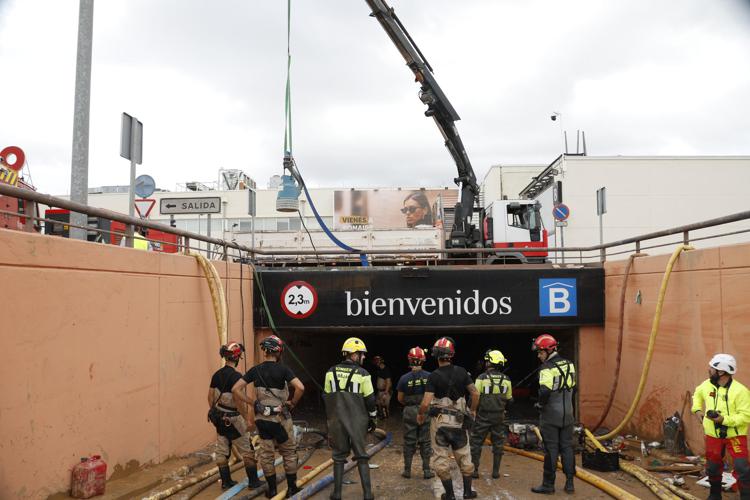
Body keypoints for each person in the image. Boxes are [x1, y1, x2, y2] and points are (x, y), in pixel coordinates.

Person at [232, 335, 304, 499]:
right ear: (278, 351)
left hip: (262, 421)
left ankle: (272, 490)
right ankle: (292, 488)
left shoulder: (255, 370)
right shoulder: (284, 370)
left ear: (265, 351)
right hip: (280, 420)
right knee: (289, 453)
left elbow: (236, 389)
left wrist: (253, 403)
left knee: (266, 455)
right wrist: (292, 403)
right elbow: (300, 387)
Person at [417, 337, 479, 500]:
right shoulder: (462, 372)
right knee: (464, 456)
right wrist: (472, 411)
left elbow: (425, 402)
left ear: (436, 356)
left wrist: (420, 414)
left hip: (440, 423)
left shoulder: (433, 376)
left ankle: (450, 495)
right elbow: (475, 393)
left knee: (440, 458)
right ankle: (467, 492)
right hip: (459, 422)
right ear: (451, 355)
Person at [323, 337, 378, 500]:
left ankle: (337, 494)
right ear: (354, 355)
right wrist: (373, 417)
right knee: (361, 456)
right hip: (357, 422)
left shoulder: (330, 372)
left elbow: (326, 396)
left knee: (338, 457)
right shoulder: (363, 374)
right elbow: (370, 399)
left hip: (336, 421)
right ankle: (367, 494)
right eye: (362, 354)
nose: (364, 357)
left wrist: (329, 420)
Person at [692, 353, 750, 500]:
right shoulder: (706, 385)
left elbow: (746, 416)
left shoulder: (741, 391)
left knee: (742, 468)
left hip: (735, 436)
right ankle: (715, 495)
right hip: (713, 435)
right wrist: (697, 409)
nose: (709, 369)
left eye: (712, 367)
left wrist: (724, 420)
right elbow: (697, 394)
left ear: (721, 372)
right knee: (712, 467)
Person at [207, 342, 262, 491]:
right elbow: (238, 400)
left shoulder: (216, 375)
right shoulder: (237, 377)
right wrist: (247, 419)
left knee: (222, 450)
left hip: (219, 418)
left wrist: (216, 411)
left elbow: (210, 397)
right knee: (248, 450)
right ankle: (254, 482)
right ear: (237, 358)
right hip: (234, 418)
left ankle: (225, 482)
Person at [530, 334, 576, 495]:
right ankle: (570, 483)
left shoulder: (546, 368)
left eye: (540, 352)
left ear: (549, 351)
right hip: (568, 414)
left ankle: (548, 485)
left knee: (551, 450)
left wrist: (540, 404)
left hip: (551, 415)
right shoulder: (570, 364)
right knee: (567, 447)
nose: (539, 355)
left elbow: (545, 391)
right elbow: (573, 387)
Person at [470, 349, 512, 480]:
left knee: (476, 442)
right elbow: (510, 399)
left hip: (483, 416)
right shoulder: (507, 379)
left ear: (489, 363)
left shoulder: (481, 378)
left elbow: (474, 397)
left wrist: (472, 410)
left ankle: (475, 471)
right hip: (499, 417)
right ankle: (495, 472)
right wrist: (504, 410)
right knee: (498, 444)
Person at [396, 347, 434, 479]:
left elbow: (400, 398)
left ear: (410, 360)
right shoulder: (430, 376)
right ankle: (427, 471)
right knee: (426, 441)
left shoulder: (403, 378)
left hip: (410, 411)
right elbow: (432, 396)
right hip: (425, 411)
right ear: (423, 360)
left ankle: (407, 471)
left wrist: (409, 406)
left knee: (409, 441)